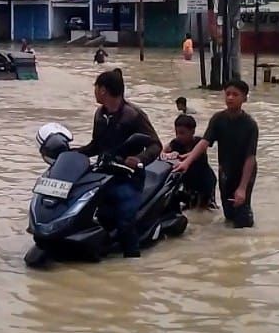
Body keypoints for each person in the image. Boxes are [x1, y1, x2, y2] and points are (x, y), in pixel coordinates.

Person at [78, 68, 161, 257]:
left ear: (103, 90)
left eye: (96, 87)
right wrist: (71, 154)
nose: (95, 91)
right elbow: (95, 146)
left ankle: (132, 259)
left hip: (129, 178)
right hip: (104, 176)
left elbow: (156, 145)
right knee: (102, 217)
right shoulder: (100, 115)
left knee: (125, 222)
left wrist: (139, 159)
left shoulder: (134, 115)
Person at [175, 78, 258, 228]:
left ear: (245, 98)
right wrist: (186, 162)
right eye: (228, 94)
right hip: (225, 171)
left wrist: (242, 188)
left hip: (245, 172)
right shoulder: (218, 119)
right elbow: (204, 143)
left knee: (242, 218)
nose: (230, 98)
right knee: (229, 214)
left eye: (235, 94)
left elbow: (250, 158)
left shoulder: (250, 125)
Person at [163, 114, 216, 208]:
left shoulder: (200, 143)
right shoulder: (175, 143)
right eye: (177, 133)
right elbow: (161, 153)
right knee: (188, 206)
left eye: (182, 133)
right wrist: (168, 155)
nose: (179, 136)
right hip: (188, 182)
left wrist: (179, 156)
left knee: (203, 209)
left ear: (193, 131)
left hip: (205, 181)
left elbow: (196, 153)